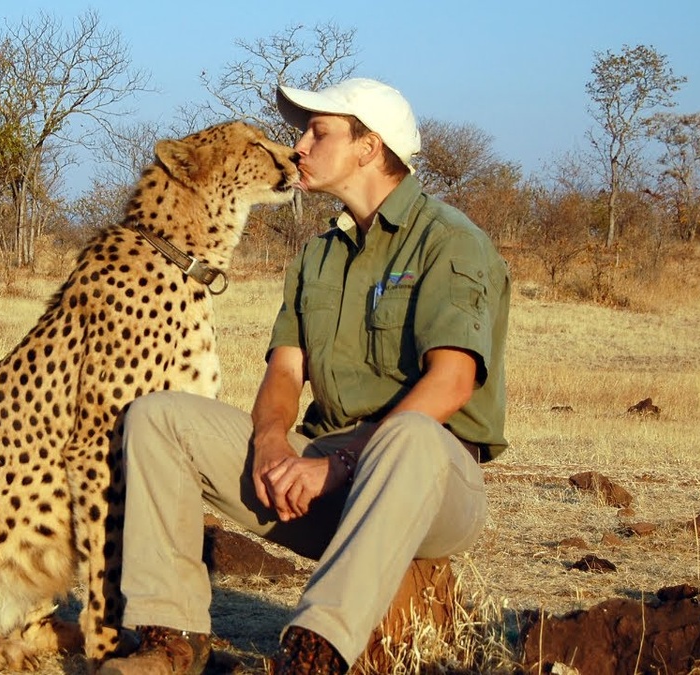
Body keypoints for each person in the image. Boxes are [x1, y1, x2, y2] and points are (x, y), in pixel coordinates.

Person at [100, 78, 510, 675]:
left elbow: (450, 383)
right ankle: (170, 640)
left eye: (318, 131)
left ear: (369, 147)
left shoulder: (452, 242)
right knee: (157, 416)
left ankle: (314, 654)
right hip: (325, 473)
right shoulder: (318, 255)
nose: (297, 145)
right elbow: (285, 373)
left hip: (429, 481)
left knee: (409, 437)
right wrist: (270, 442)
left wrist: (338, 464)